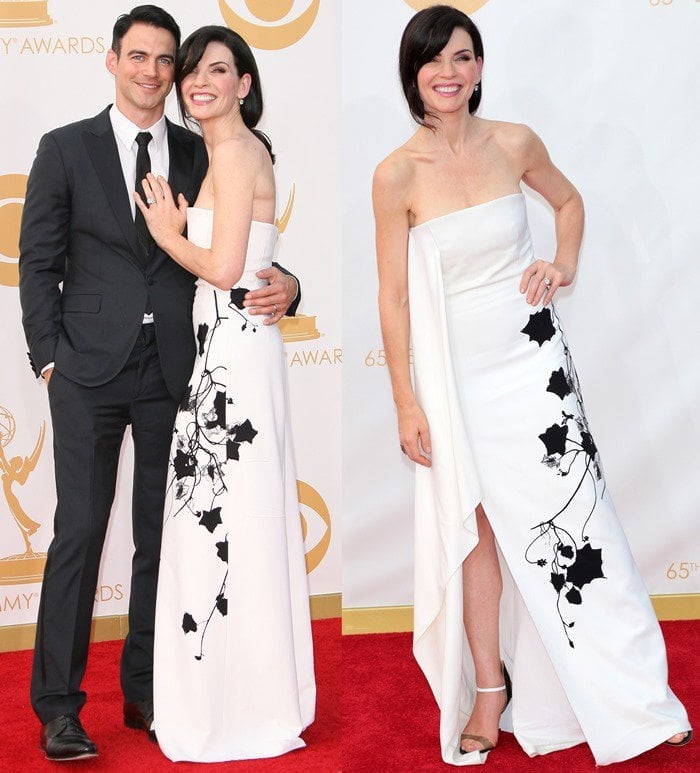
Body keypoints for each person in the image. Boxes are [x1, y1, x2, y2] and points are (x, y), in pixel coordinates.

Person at [373, 5, 691, 767]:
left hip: (534, 368)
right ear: (412, 73)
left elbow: (570, 202)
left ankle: (639, 698)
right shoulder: (396, 174)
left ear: (480, 67)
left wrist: (563, 261)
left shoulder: (514, 142)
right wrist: (405, 399)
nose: (447, 73)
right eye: (432, 60)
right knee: (476, 532)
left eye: (461, 56)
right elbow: (393, 297)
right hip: (455, 381)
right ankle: (490, 693)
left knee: (586, 527)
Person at [18, 5, 300, 761]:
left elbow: (247, 234)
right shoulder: (65, 148)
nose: (152, 71)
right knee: (79, 530)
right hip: (85, 370)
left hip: (181, 368)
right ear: (111, 61)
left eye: (165, 59)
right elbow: (37, 262)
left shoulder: (203, 146)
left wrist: (290, 284)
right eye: (137, 56)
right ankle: (59, 705)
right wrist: (49, 357)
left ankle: (146, 685)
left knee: (161, 536)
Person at [133, 25, 315, 761]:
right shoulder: (217, 154)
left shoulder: (240, 152)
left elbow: (228, 265)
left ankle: (244, 704)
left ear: (245, 82)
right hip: (221, 360)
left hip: (233, 367)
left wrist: (167, 230)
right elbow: (252, 261)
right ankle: (229, 692)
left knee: (231, 521)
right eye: (191, 71)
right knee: (221, 524)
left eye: (219, 69)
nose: (197, 81)